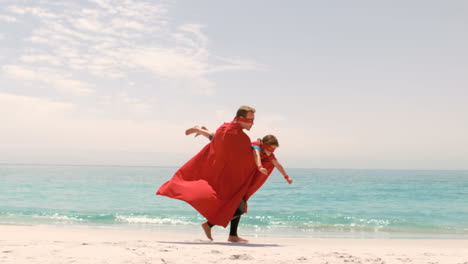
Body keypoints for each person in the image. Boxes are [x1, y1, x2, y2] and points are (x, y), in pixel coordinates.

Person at [157, 106, 257, 243]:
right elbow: (229, 146)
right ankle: (209, 224)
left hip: (230, 174)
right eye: (250, 119)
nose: (253, 123)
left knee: (239, 200)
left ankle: (232, 235)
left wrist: (201, 130)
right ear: (240, 119)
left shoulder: (227, 129)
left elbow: (218, 140)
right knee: (237, 206)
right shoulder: (237, 136)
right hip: (225, 176)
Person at [185, 127, 293, 241]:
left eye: (274, 150)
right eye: (271, 149)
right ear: (264, 144)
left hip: (240, 179)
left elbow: (277, 164)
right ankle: (209, 225)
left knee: (238, 206)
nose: (272, 152)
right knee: (220, 141)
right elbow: (256, 154)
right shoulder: (256, 146)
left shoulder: (268, 154)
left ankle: (232, 235)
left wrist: (286, 176)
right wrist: (260, 166)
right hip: (231, 172)